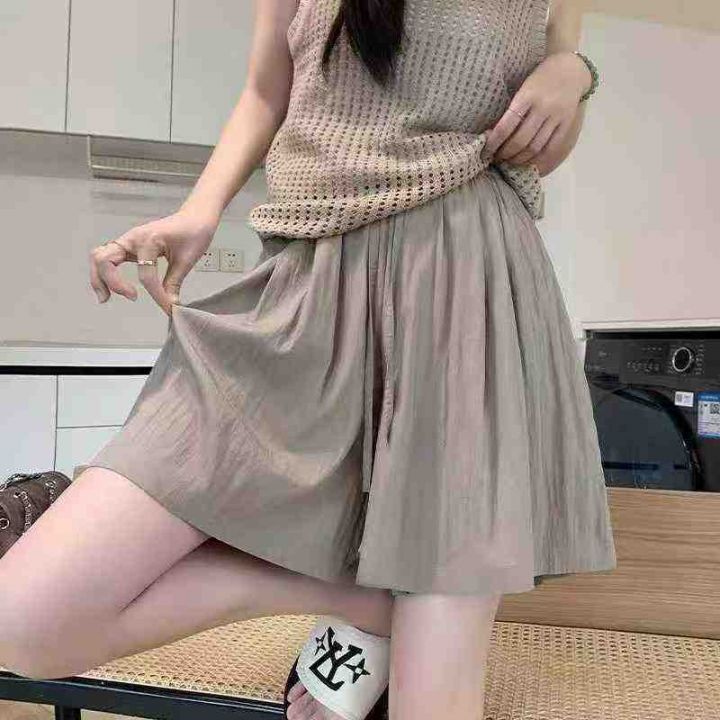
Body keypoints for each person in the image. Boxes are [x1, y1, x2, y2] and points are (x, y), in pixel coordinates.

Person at [0, 1, 616, 718]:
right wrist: (199, 212)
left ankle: (384, 606)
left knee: (434, 703)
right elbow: (267, 90)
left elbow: (543, 145)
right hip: (304, 285)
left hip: (462, 291)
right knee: (27, 620)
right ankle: (360, 599)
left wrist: (573, 71)